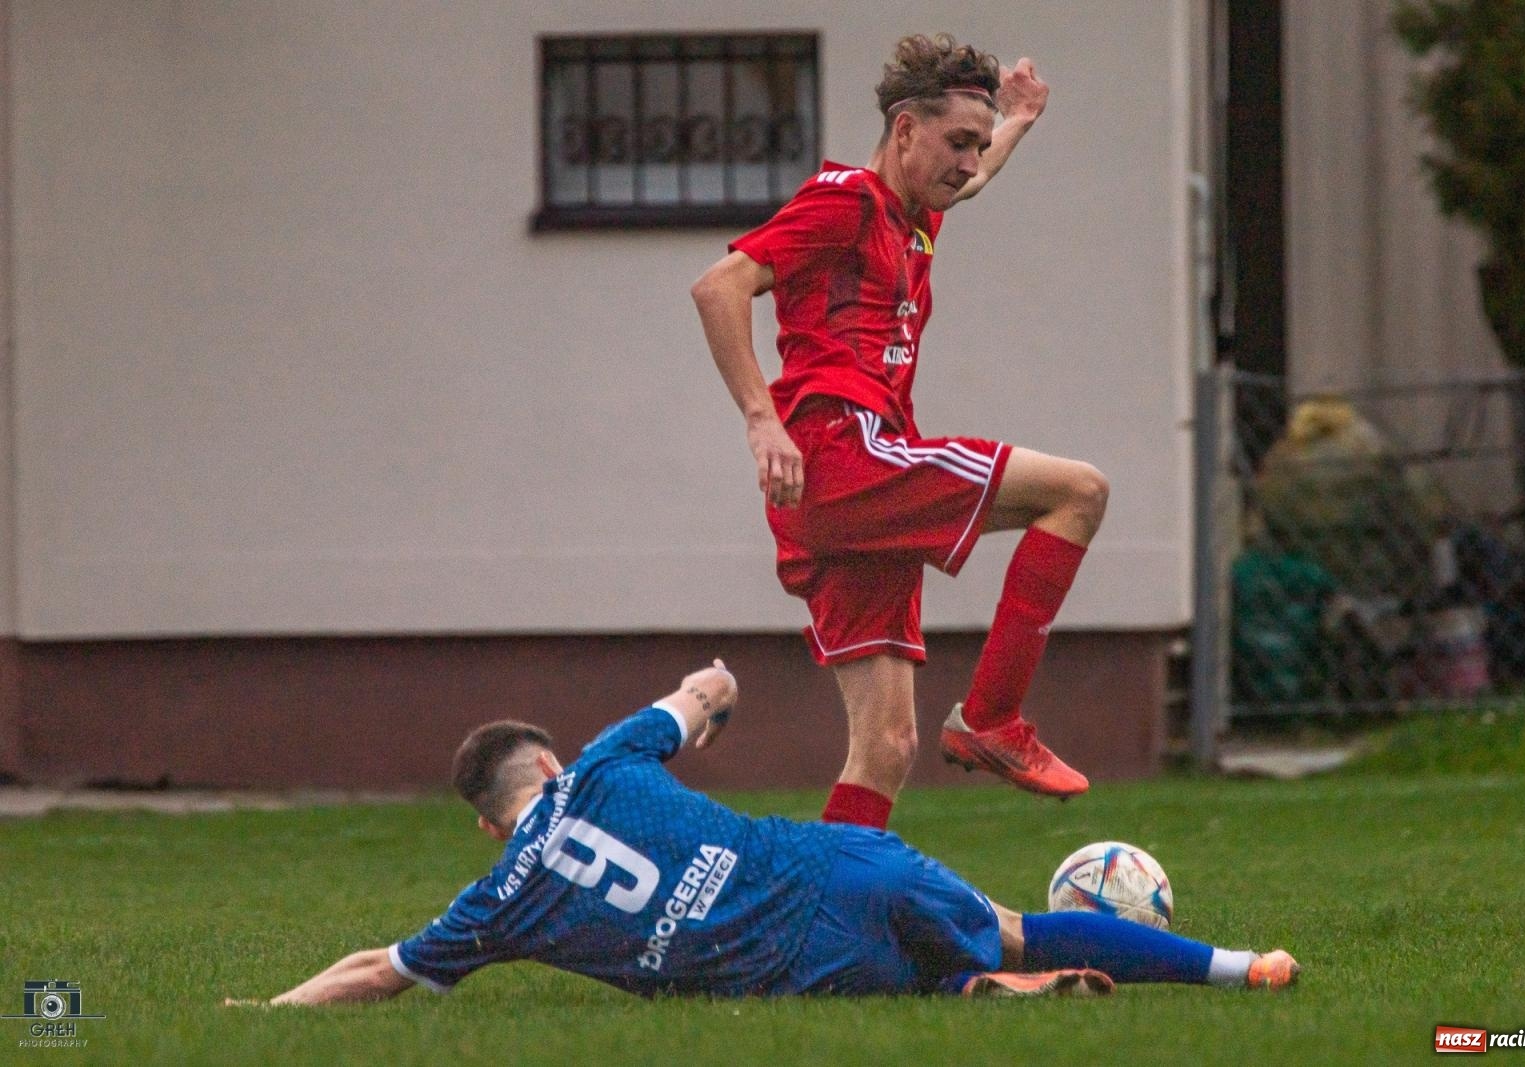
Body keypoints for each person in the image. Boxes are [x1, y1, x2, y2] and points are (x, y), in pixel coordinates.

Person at [228, 662, 1299, 1006]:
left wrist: (261, 1010)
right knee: (1020, 927)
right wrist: (716, 697)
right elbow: (701, 688)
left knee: (914, 987)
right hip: (831, 859)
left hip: (781, 962)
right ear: (548, 764)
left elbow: (379, 968)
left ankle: (981, 990)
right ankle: (1244, 967)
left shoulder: (497, 900)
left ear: (485, 820)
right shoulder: (603, 760)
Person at [691, 33, 1110, 829]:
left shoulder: (913, 213)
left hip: (839, 497)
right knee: (1079, 493)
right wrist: (761, 420)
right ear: (904, 129)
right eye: (956, 141)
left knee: (885, 746)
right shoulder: (846, 201)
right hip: (846, 456)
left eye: (977, 146)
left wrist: (1016, 120)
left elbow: (974, 180)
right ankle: (992, 718)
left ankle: (825, 933)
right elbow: (720, 286)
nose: (968, 161)